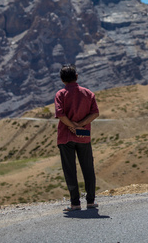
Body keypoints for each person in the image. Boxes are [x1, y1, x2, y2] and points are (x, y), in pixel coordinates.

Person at [54, 64, 100, 211]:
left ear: (62, 80)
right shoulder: (88, 93)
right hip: (84, 136)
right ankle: (91, 201)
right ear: (77, 76)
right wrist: (80, 125)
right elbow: (95, 113)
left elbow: (60, 115)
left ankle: (75, 203)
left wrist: (72, 126)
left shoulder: (60, 94)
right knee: (88, 168)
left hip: (65, 137)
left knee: (70, 170)